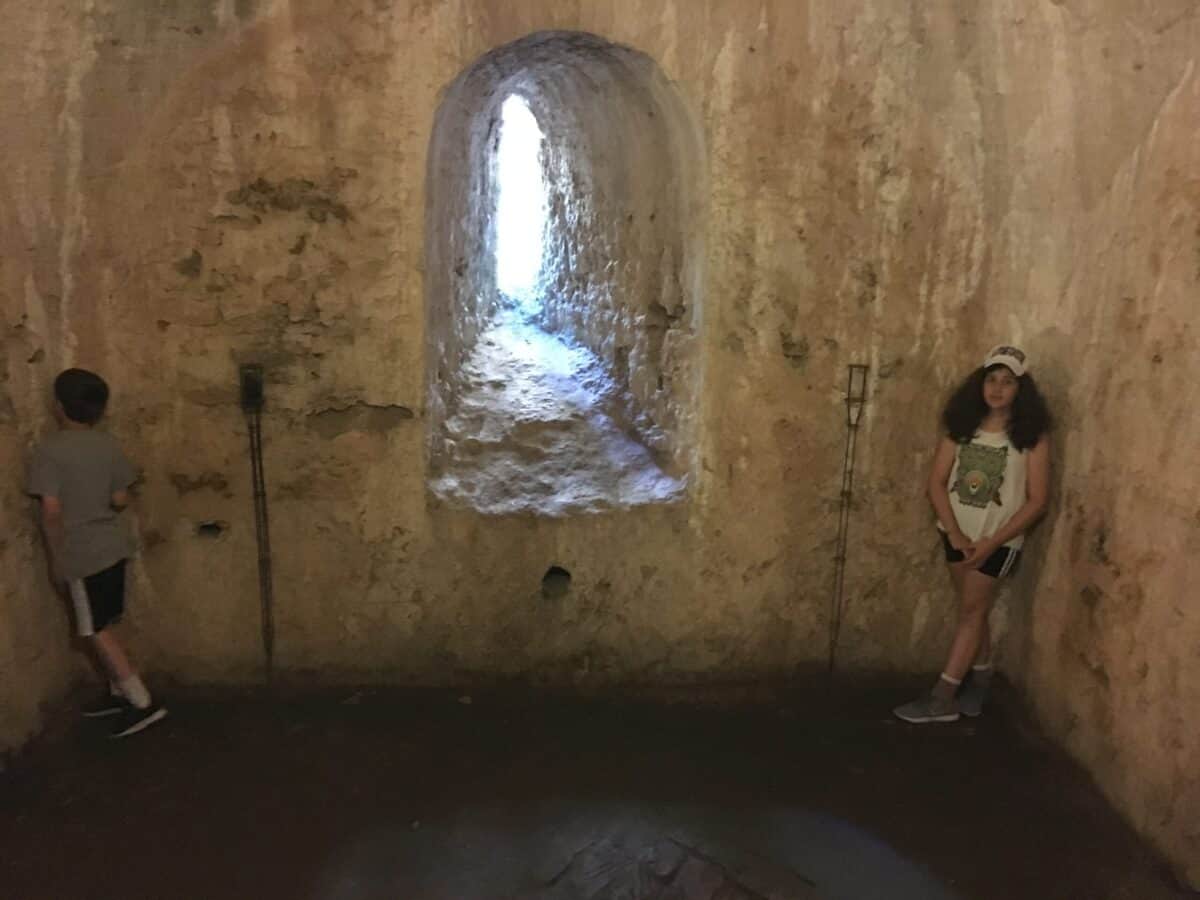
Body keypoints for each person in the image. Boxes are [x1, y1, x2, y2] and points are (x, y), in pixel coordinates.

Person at [894, 345, 1051, 723]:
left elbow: (1037, 500)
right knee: (971, 610)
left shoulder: (1031, 438)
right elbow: (935, 482)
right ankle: (980, 678)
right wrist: (956, 534)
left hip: (997, 541)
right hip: (957, 535)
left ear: (1021, 389)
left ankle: (943, 696)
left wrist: (992, 542)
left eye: (1008, 381)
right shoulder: (961, 428)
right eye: (991, 379)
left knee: (971, 610)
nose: (997, 388)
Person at [26, 368, 167, 738]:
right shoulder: (107, 445)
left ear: (58, 406)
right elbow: (120, 498)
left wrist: (57, 558)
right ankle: (118, 690)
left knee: (94, 630)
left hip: (82, 553)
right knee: (104, 620)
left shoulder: (49, 450)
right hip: (113, 546)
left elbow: (51, 511)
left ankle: (140, 701)